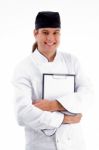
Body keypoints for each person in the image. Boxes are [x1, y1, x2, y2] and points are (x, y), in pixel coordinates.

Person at [13, 11, 92, 150]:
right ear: (35, 33)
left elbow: (87, 96)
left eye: (56, 32)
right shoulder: (24, 67)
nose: (51, 38)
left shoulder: (72, 61)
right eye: (45, 32)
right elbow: (22, 113)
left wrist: (53, 105)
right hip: (41, 145)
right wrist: (64, 118)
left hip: (74, 144)